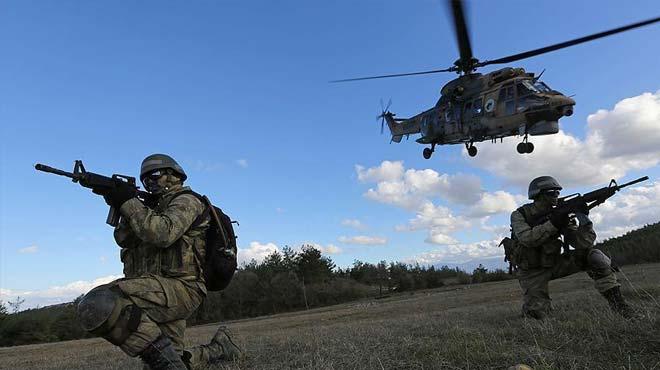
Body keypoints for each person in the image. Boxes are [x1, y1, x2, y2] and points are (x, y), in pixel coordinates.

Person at [76, 154, 241, 370]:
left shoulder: (188, 201)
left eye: (155, 174)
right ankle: (219, 349)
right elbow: (123, 239)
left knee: (100, 302)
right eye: (145, 179)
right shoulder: (148, 209)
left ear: (174, 175)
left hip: (182, 289)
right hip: (158, 289)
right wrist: (122, 203)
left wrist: (129, 201)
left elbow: (162, 233)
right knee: (169, 360)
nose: (150, 182)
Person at [510, 176, 633, 320]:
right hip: (532, 271)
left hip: (554, 263)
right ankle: (532, 311)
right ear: (538, 195)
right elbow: (527, 239)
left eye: (558, 193)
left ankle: (621, 307)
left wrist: (584, 219)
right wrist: (553, 224)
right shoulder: (520, 214)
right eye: (551, 192)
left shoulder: (560, 214)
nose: (556, 196)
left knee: (595, 256)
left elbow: (582, 243)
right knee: (537, 316)